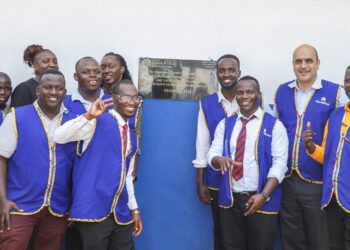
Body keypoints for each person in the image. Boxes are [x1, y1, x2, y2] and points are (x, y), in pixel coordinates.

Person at [274, 44, 349, 250]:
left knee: (320, 240)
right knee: (291, 238)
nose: (304, 66)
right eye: (299, 61)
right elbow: (273, 132)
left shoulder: (336, 92)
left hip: (319, 180)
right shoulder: (281, 91)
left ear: (317, 63)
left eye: (309, 61)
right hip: (287, 180)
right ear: (293, 65)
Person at [54, 79, 142, 250]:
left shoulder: (131, 135)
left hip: (120, 212)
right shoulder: (97, 121)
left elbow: (127, 177)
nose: (132, 102)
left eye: (135, 98)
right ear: (114, 98)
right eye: (126, 97)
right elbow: (59, 136)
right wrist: (89, 116)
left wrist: (135, 209)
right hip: (93, 209)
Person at [208, 76, 288, 250]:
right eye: (240, 92)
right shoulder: (226, 124)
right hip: (231, 200)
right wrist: (219, 160)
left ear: (258, 94)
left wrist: (264, 195)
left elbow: (280, 165)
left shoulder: (274, 126)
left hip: (261, 198)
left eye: (250, 92)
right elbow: (212, 154)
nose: (244, 96)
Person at [0, 69, 76, 250]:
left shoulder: (74, 122)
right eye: (48, 87)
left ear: (65, 92)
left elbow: (79, 167)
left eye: (59, 88)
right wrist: (2, 200)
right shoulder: (17, 116)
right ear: (37, 90)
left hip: (57, 207)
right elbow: (1, 159)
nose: (54, 92)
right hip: (18, 204)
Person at [193, 54, 241, 250]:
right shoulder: (207, 104)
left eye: (231, 70)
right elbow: (202, 144)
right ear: (217, 74)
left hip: (246, 177)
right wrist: (200, 181)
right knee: (221, 230)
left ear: (239, 72)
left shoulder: (253, 97)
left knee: (244, 229)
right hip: (216, 178)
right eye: (222, 70)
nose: (227, 74)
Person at [302, 66, 350, 249]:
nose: (349, 84)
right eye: (347, 80)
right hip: (332, 200)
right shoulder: (336, 115)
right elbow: (328, 157)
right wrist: (311, 147)